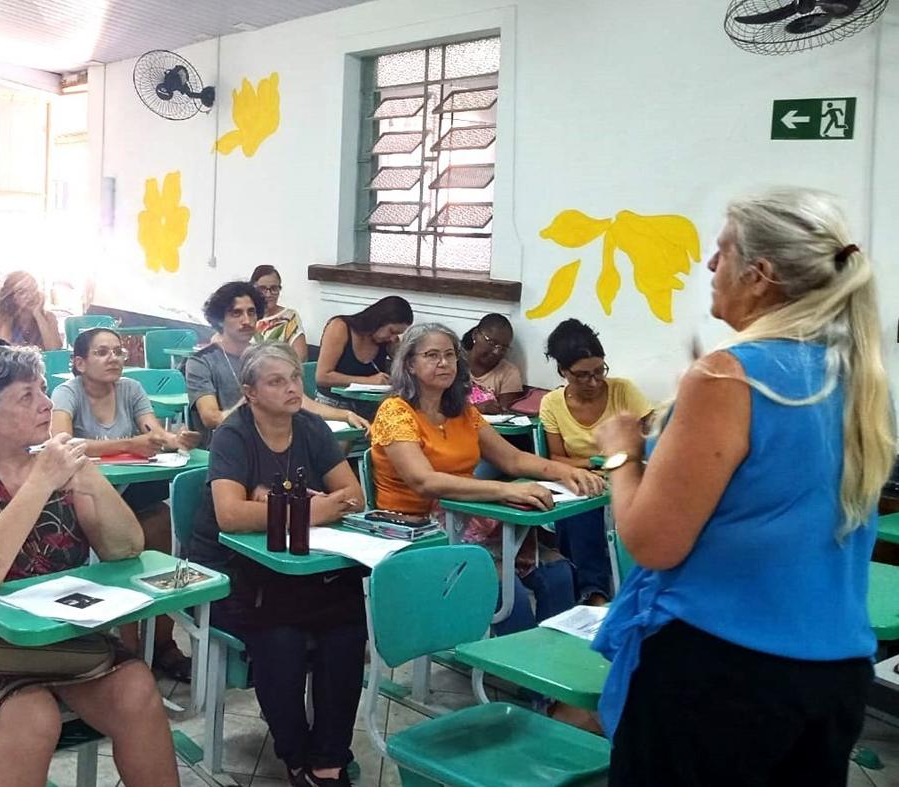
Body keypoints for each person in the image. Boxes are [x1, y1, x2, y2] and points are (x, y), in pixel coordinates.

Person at [592, 189, 892, 786]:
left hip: (722, 672)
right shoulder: (853, 375)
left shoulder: (728, 375)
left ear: (760, 277)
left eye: (722, 252)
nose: (709, 266)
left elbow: (653, 543)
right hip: (831, 672)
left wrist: (620, 450)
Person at [0, 345, 178, 787]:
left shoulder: (57, 465)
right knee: (33, 716)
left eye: (43, 390)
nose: (47, 404)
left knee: (136, 687)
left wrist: (87, 476)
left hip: (57, 633)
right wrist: (40, 483)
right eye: (26, 397)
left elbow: (125, 548)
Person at [188, 342, 366, 787]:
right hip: (231, 571)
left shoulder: (310, 428)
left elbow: (354, 496)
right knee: (281, 639)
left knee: (347, 629)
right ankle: (294, 751)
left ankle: (328, 755)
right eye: (276, 381)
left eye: (294, 379)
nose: (291, 389)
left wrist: (282, 505)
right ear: (249, 392)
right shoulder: (234, 434)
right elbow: (232, 516)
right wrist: (313, 509)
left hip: (296, 566)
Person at [369, 323, 605, 635]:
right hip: (417, 528)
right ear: (409, 364)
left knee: (558, 572)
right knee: (508, 592)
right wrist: (503, 490)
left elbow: (513, 458)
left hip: (469, 517)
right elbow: (424, 481)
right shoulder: (395, 412)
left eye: (450, 355)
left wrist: (569, 471)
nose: (443, 363)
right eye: (432, 355)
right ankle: (516, 668)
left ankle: (544, 668)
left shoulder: (462, 411)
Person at [51, 327, 199, 680]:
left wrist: (174, 439)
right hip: (85, 497)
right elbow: (60, 441)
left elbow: (152, 432)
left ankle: (162, 643)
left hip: (132, 492)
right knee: (118, 552)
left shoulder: (130, 389)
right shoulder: (67, 392)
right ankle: (125, 646)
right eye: (102, 353)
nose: (114, 359)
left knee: (161, 524)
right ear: (79, 363)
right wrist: (129, 445)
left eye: (118, 352)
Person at [539, 318, 652, 604]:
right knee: (580, 501)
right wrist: (594, 461)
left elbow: (651, 438)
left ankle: (641, 592)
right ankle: (593, 594)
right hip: (586, 478)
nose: (593, 382)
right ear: (563, 371)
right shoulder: (552, 403)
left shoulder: (622, 390)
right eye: (581, 375)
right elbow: (556, 458)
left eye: (599, 371)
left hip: (628, 474)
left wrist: (621, 457)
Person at [185, 281, 369, 446]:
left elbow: (301, 401)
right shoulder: (201, 361)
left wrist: (345, 415)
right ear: (219, 319)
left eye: (252, 312)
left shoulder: (266, 355)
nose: (247, 321)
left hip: (275, 442)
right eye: (236, 313)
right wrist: (250, 400)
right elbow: (212, 419)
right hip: (228, 447)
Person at [315, 296, 413, 420]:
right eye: (391, 331)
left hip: (369, 406)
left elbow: (408, 367)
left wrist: (399, 353)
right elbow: (322, 376)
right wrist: (367, 380)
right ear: (379, 320)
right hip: (335, 404)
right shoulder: (340, 327)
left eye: (397, 334)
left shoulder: (387, 341)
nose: (393, 337)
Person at [461, 313, 524, 414]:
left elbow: (504, 414)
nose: (496, 352)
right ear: (475, 335)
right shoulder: (454, 362)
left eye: (503, 348)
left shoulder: (509, 373)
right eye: (491, 343)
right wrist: (476, 408)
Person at [0, 271, 63, 350]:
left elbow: (55, 350)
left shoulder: (49, 317)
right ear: (11, 297)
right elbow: (4, 350)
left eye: (33, 290)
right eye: (22, 292)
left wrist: (38, 315)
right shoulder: (4, 317)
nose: (29, 295)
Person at [250, 265, 308, 360]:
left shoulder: (289, 317)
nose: (268, 294)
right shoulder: (246, 317)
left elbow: (301, 357)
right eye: (262, 289)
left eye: (274, 288)